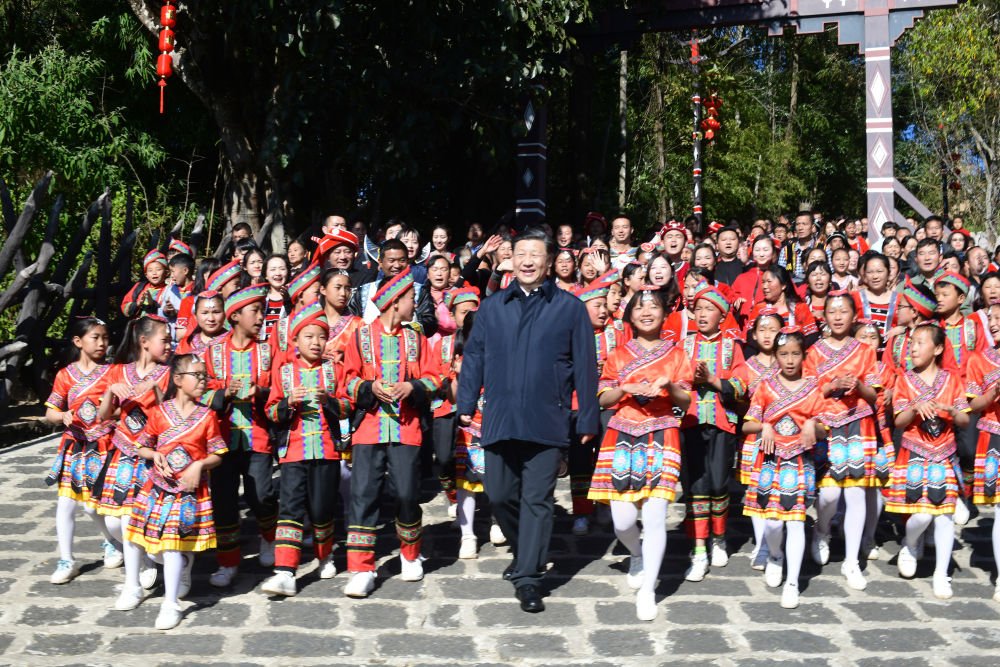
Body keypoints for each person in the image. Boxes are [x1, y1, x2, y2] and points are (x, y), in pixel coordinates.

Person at [456, 227, 599, 614]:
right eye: (520, 254)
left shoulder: (569, 308)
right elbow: (474, 357)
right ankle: (526, 554)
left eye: (535, 254)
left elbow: (586, 366)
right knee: (500, 493)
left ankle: (529, 577)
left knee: (537, 499)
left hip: (547, 417)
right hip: (500, 417)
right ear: (510, 259)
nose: (527, 261)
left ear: (549, 261)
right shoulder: (492, 307)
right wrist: (466, 401)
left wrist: (588, 417)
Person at [587, 286, 693, 621]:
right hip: (622, 433)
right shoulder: (618, 355)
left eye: (654, 307)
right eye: (640, 308)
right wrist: (625, 388)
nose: (647, 312)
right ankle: (636, 552)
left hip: (663, 433)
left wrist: (669, 385)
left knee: (656, 514)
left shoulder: (677, 355)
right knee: (622, 521)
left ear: (665, 314)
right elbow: (603, 399)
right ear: (630, 316)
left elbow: (686, 399)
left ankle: (648, 590)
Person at [340, 267, 444, 598]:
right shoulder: (360, 337)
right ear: (395, 301)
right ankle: (362, 568)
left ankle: (410, 554)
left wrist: (411, 387)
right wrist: (369, 387)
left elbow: (435, 378)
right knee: (363, 496)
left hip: (407, 428)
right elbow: (346, 381)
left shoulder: (416, 338)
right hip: (368, 430)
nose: (415, 302)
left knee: (408, 494)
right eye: (411, 297)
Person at [119, 354, 226, 629]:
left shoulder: (208, 416)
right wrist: (154, 455)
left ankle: (171, 604)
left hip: (188, 491)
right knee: (139, 540)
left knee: (172, 544)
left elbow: (218, 453)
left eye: (204, 376)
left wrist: (200, 465)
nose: (203, 381)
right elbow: (142, 446)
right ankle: (137, 584)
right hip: (156, 488)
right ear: (178, 379)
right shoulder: (158, 412)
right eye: (197, 375)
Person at [261, 302, 346, 597]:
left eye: (321, 337)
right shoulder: (284, 373)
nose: (315, 342)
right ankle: (285, 571)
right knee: (290, 509)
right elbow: (271, 411)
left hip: (327, 451)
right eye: (308, 337)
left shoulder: (334, 371)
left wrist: (329, 401)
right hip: (293, 452)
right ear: (295, 340)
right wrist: (288, 403)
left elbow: (347, 407)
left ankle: (325, 555)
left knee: (322, 509)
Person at [742, 327, 829, 609]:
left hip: (800, 462)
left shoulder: (814, 388)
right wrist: (764, 425)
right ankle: (775, 555)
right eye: (783, 354)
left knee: (795, 520)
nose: (789, 360)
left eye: (795, 354)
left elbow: (825, 428)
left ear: (804, 355)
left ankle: (792, 582)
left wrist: (812, 424)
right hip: (770, 461)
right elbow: (746, 425)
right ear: (776, 356)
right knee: (773, 522)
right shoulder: (765, 386)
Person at [887, 322, 970, 599]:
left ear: (937, 349)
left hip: (944, 454)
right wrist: (914, 407)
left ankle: (941, 573)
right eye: (912, 343)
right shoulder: (904, 379)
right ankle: (911, 542)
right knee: (921, 514)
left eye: (921, 342)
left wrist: (950, 410)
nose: (913, 348)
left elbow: (964, 419)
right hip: (914, 453)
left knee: (944, 516)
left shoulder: (952, 379)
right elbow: (899, 421)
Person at [203, 285, 279, 588]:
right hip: (221, 440)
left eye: (262, 311)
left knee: (261, 495)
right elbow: (201, 392)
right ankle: (228, 561)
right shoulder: (213, 352)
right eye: (255, 311)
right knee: (223, 501)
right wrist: (224, 393)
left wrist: (259, 392)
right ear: (235, 316)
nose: (260, 317)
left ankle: (269, 538)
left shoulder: (267, 351)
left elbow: (279, 389)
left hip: (258, 437)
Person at [805, 292, 881, 592]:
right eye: (832, 311)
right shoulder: (813, 352)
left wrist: (859, 385)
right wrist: (831, 385)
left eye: (844, 311)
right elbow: (807, 394)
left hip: (858, 425)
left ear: (854, 316)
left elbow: (875, 396)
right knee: (828, 495)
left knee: (856, 493)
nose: (837, 317)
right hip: (827, 426)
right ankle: (821, 530)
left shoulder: (865, 351)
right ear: (824, 315)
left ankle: (851, 560)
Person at [94, 315, 172, 594]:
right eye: (164, 340)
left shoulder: (168, 374)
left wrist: (156, 389)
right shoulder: (118, 371)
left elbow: (171, 417)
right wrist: (110, 391)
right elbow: (103, 416)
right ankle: (144, 558)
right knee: (114, 521)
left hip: (152, 453)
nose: (169, 345)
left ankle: (151, 565)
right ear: (144, 342)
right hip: (123, 452)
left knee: (139, 516)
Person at [44, 317, 119, 584]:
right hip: (75, 447)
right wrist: (62, 415)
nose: (101, 343)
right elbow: (50, 412)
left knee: (93, 506)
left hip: (106, 445)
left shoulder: (114, 373)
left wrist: (109, 413)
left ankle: (111, 542)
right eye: (95, 337)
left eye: (105, 338)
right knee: (66, 503)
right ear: (78, 341)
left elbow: (126, 408)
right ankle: (67, 560)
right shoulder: (65, 375)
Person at [679, 286, 745, 581]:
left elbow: (742, 384)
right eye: (698, 309)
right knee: (695, 486)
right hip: (691, 421)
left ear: (721, 315)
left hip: (721, 422)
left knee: (718, 484)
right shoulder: (684, 345)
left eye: (709, 309)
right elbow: (674, 378)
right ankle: (698, 549)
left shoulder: (732, 346)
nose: (702, 314)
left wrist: (713, 380)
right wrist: (689, 380)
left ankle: (718, 537)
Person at [730, 309, 781, 570]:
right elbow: (736, 402)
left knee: (779, 490)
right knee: (756, 491)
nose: (767, 334)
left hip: (784, 437)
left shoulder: (789, 364)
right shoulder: (746, 367)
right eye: (762, 329)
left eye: (773, 329)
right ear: (753, 334)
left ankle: (774, 543)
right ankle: (762, 544)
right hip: (754, 436)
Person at [966, 303, 1000, 601]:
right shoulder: (979, 359)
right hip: (994, 436)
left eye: (999, 318)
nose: (993, 323)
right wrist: (992, 393)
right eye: (991, 319)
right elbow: (973, 405)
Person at [349, 238, 438, 336]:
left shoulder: (419, 290)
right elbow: (351, 321)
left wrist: (402, 330)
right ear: (380, 262)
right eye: (391, 260)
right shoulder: (364, 291)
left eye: (402, 260)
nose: (397, 265)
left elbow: (430, 322)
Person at [175, 291, 227, 358]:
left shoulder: (232, 341)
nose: (211, 319)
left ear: (224, 314)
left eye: (216, 312)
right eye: (205, 313)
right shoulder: (185, 344)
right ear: (195, 316)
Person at [121, 250, 169, 319]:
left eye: (158, 269)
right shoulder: (140, 287)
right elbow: (124, 308)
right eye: (150, 270)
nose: (154, 273)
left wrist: (153, 304)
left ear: (166, 273)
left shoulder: (169, 289)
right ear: (146, 275)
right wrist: (138, 304)